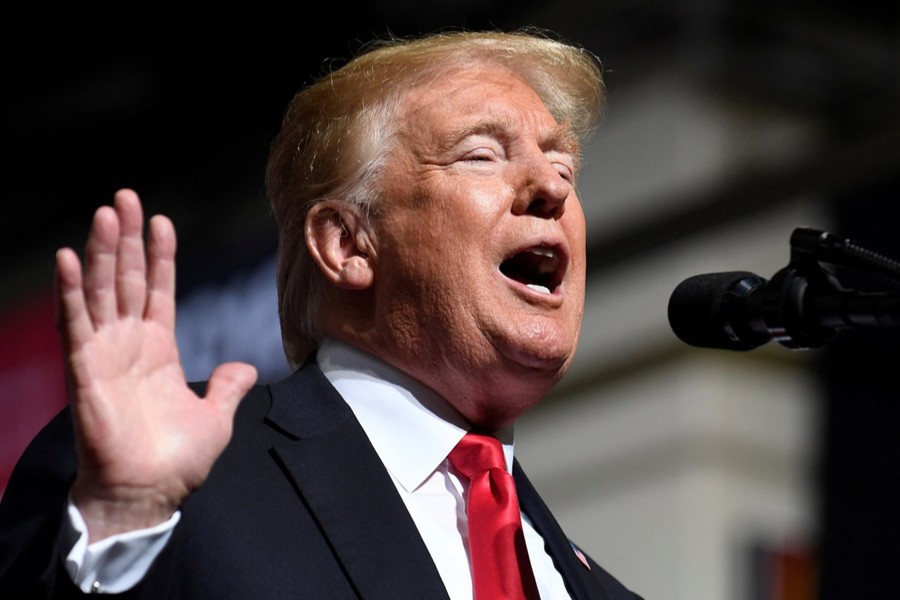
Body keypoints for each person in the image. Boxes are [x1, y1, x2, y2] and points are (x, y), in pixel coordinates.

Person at [0, 28, 643, 599]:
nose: (554, 188)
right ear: (347, 244)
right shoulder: (176, 485)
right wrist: (118, 527)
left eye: (563, 165)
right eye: (480, 155)